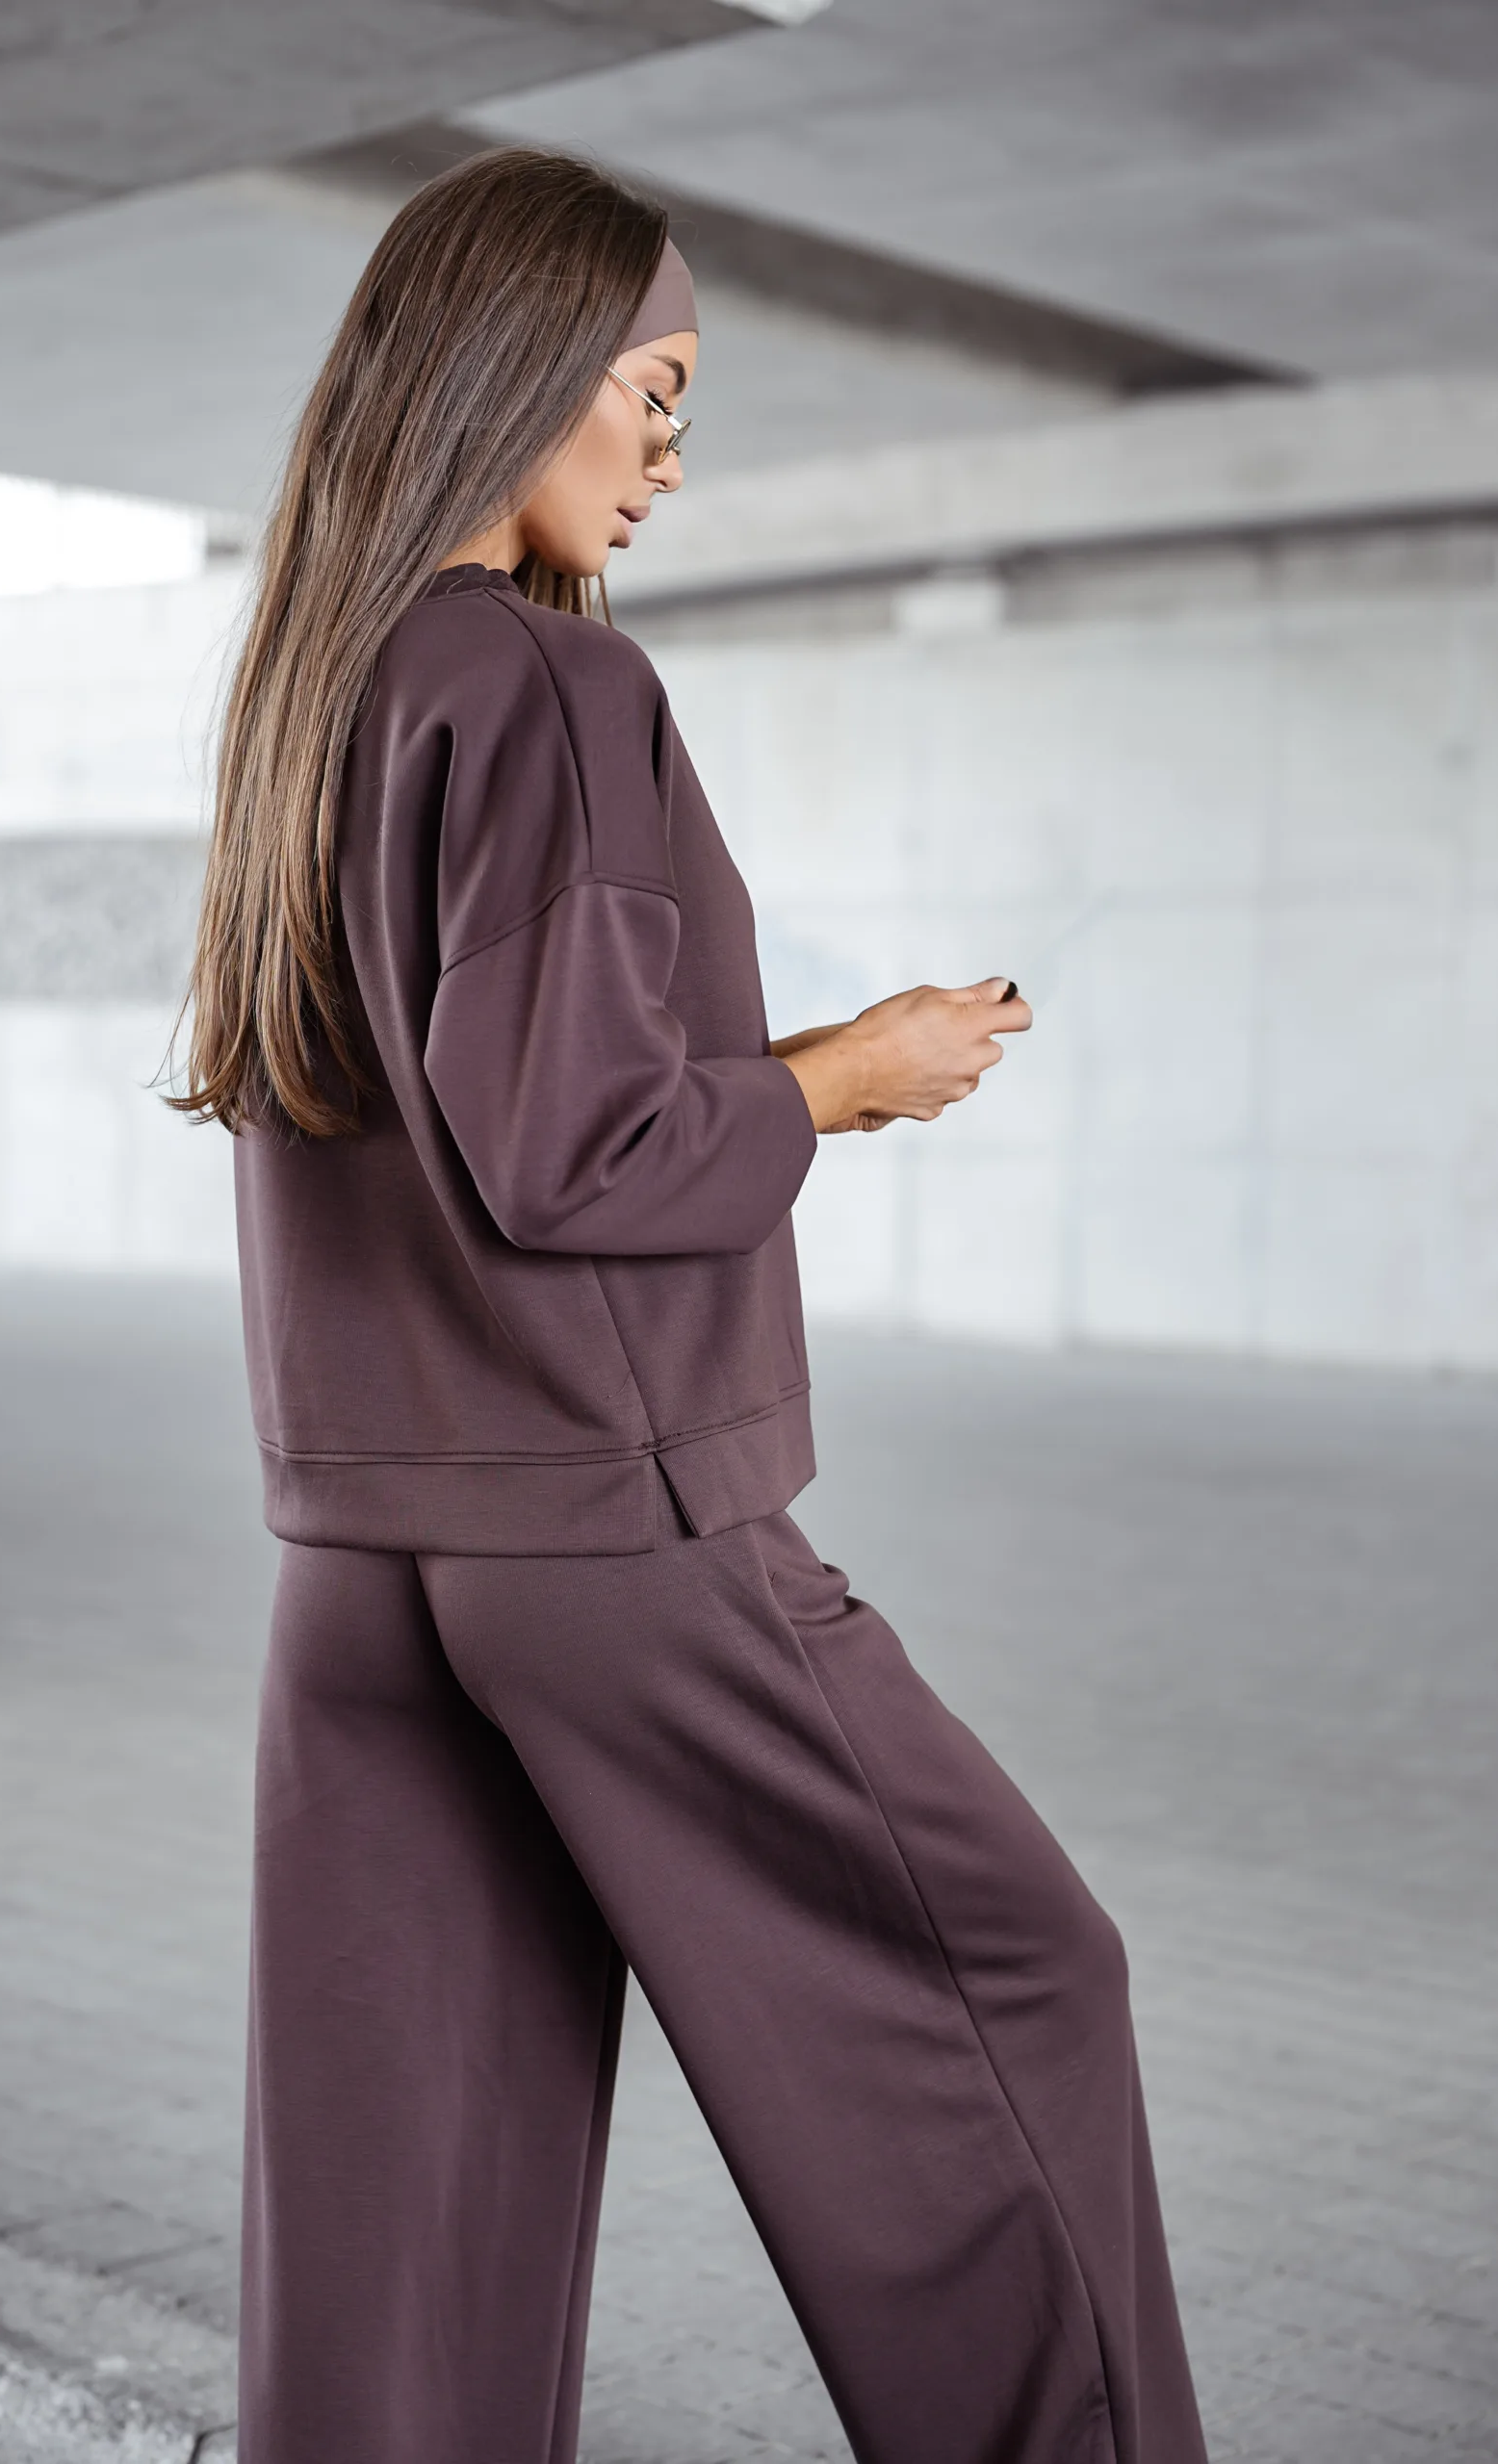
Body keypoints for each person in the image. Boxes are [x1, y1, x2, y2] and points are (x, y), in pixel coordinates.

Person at [177, 146, 1207, 2464]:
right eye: (649, 391)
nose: (666, 453)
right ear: (520, 364)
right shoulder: (550, 686)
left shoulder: (326, 691)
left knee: (405, 2193)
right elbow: (573, 1147)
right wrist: (849, 1075)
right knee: (1016, 1983)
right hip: (607, 1536)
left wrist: (787, 1062)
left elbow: (458, 1102)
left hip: (364, 1563)